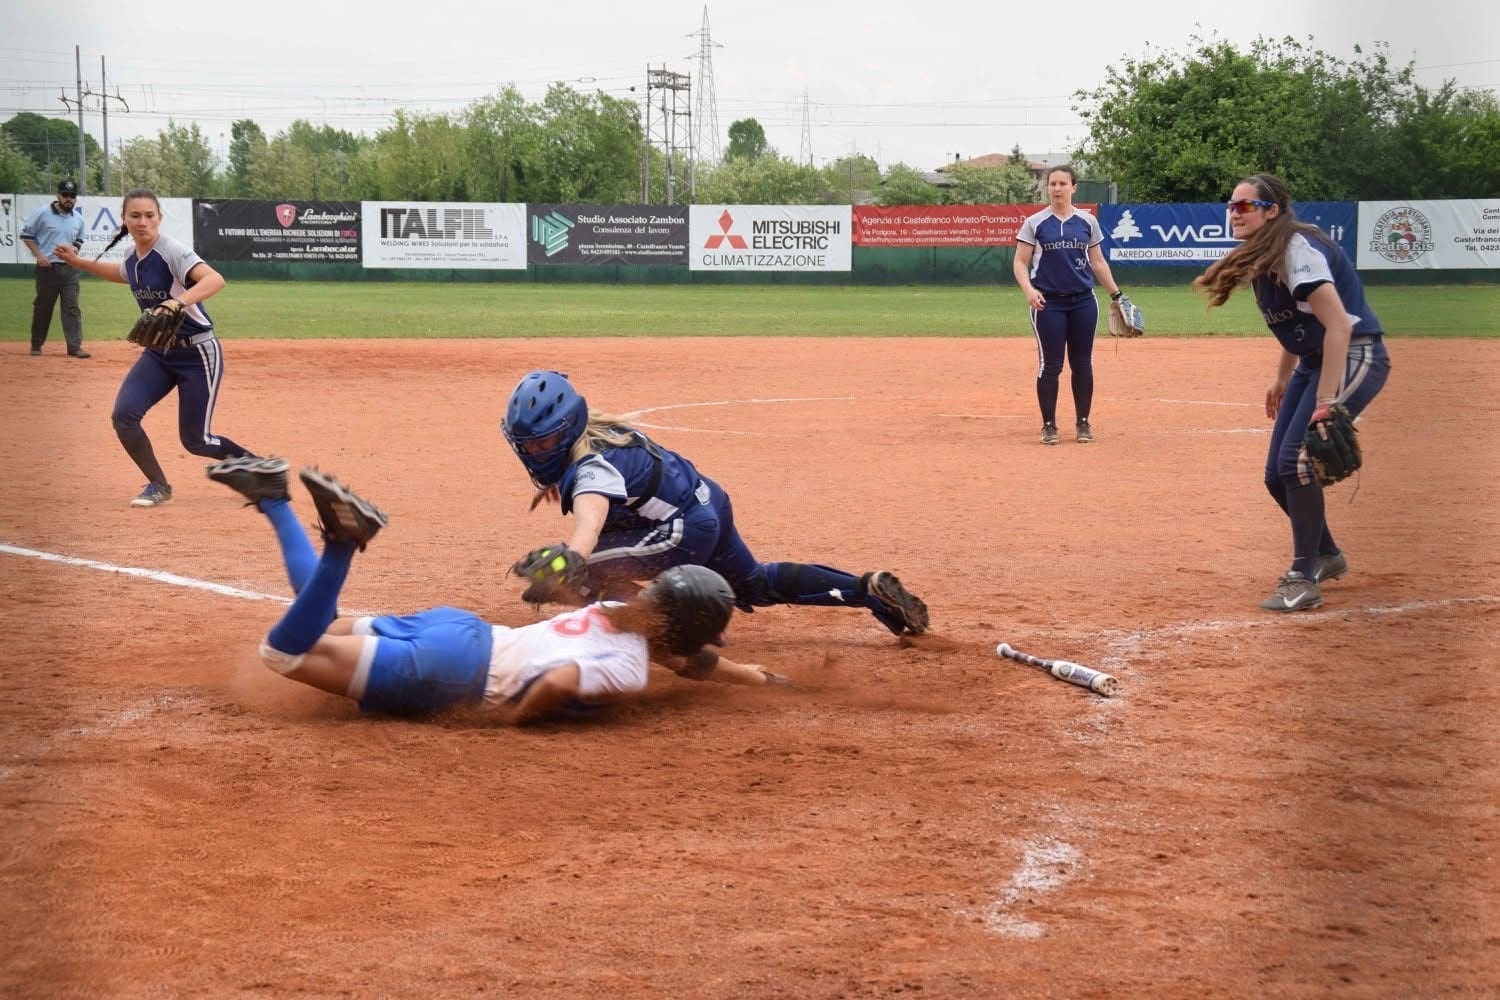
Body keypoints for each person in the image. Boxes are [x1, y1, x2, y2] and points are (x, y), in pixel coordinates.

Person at [204, 457, 788, 722]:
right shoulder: (631, 670)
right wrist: (520, 715)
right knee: (283, 653)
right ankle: (339, 543)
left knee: (319, 624)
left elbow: (688, 659)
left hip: (462, 630)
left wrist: (752, 676)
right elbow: (559, 682)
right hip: (454, 671)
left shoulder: (617, 608)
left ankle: (276, 500)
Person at [500, 370, 929, 637]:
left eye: (546, 441)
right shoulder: (603, 432)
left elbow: (589, 525)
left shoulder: (591, 470)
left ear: (569, 426)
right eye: (530, 445)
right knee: (756, 585)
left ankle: (675, 637)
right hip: (708, 504)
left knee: (581, 571)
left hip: (682, 530)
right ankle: (866, 590)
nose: (537, 452)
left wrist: (567, 563)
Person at [1194, 173, 1392, 612]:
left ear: (1273, 210)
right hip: (1312, 360)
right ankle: (1327, 555)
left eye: (1245, 205)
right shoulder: (1264, 253)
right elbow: (1297, 326)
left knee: (1296, 461)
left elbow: (1339, 324)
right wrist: (1282, 376)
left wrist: (1326, 403)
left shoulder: (1297, 248)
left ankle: (1303, 578)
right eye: (1231, 205)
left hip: (1355, 356)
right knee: (1275, 475)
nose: (1235, 213)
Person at [54, 188, 257, 508]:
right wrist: (77, 261)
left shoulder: (171, 251)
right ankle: (158, 485)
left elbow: (214, 280)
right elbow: (119, 273)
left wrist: (177, 303)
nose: (142, 221)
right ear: (124, 220)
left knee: (196, 441)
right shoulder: (133, 260)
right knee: (124, 416)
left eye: (149, 215)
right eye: (134, 216)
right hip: (160, 353)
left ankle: (260, 469)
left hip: (197, 354)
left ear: (159, 218)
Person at [1012, 165, 1128, 445]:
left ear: (1074, 187)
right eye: (1053, 183)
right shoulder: (1035, 222)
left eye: (1063, 183)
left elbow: (1098, 262)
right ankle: (1049, 426)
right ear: (1047, 188)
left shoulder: (1087, 222)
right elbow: (1020, 262)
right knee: (1050, 366)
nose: (1057, 188)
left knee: (1082, 363)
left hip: (1083, 302)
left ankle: (1083, 423)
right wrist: (1028, 289)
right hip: (1047, 304)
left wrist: (1117, 295)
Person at [20, 179, 89, 358]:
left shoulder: (78, 219)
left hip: (70, 270)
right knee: (43, 307)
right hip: (48, 268)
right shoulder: (42, 213)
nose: (69, 199)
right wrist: (39, 255)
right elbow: (26, 235)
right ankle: (36, 345)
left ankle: (74, 347)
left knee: (71, 308)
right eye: (65, 195)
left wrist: (75, 248)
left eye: (72, 196)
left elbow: (79, 239)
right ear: (58, 195)